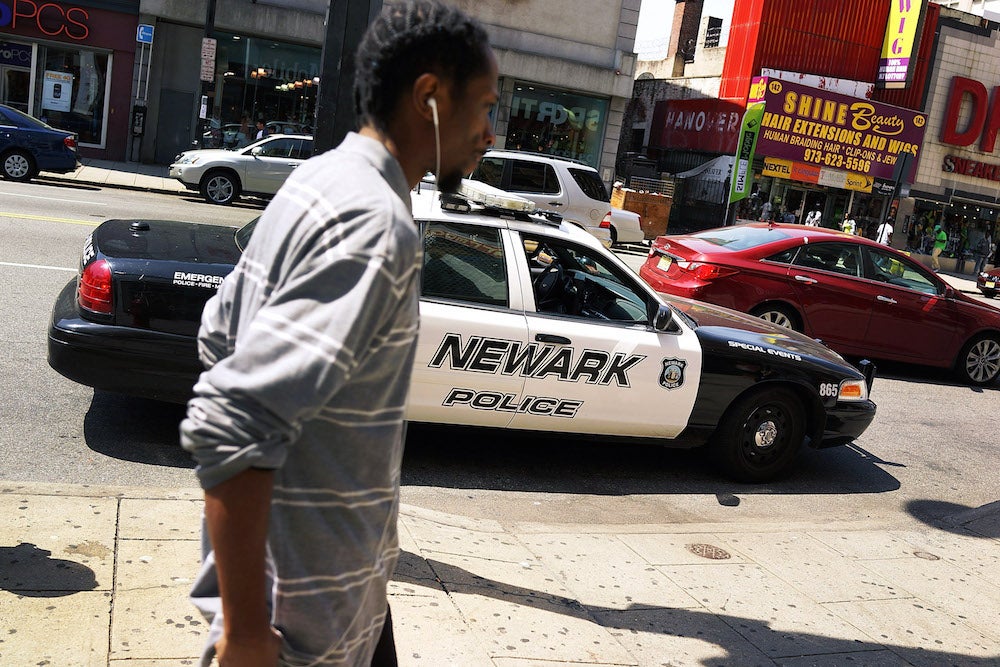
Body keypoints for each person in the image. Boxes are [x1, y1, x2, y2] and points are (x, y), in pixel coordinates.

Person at [180, 2, 498, 666]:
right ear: (430, 98)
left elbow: (219, 333)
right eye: (485, 107)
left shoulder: (319, 179)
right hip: (302, 636)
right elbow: (230, 419)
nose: (489, 134)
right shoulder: (376, 228)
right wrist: (243, 632)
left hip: (349, 609)